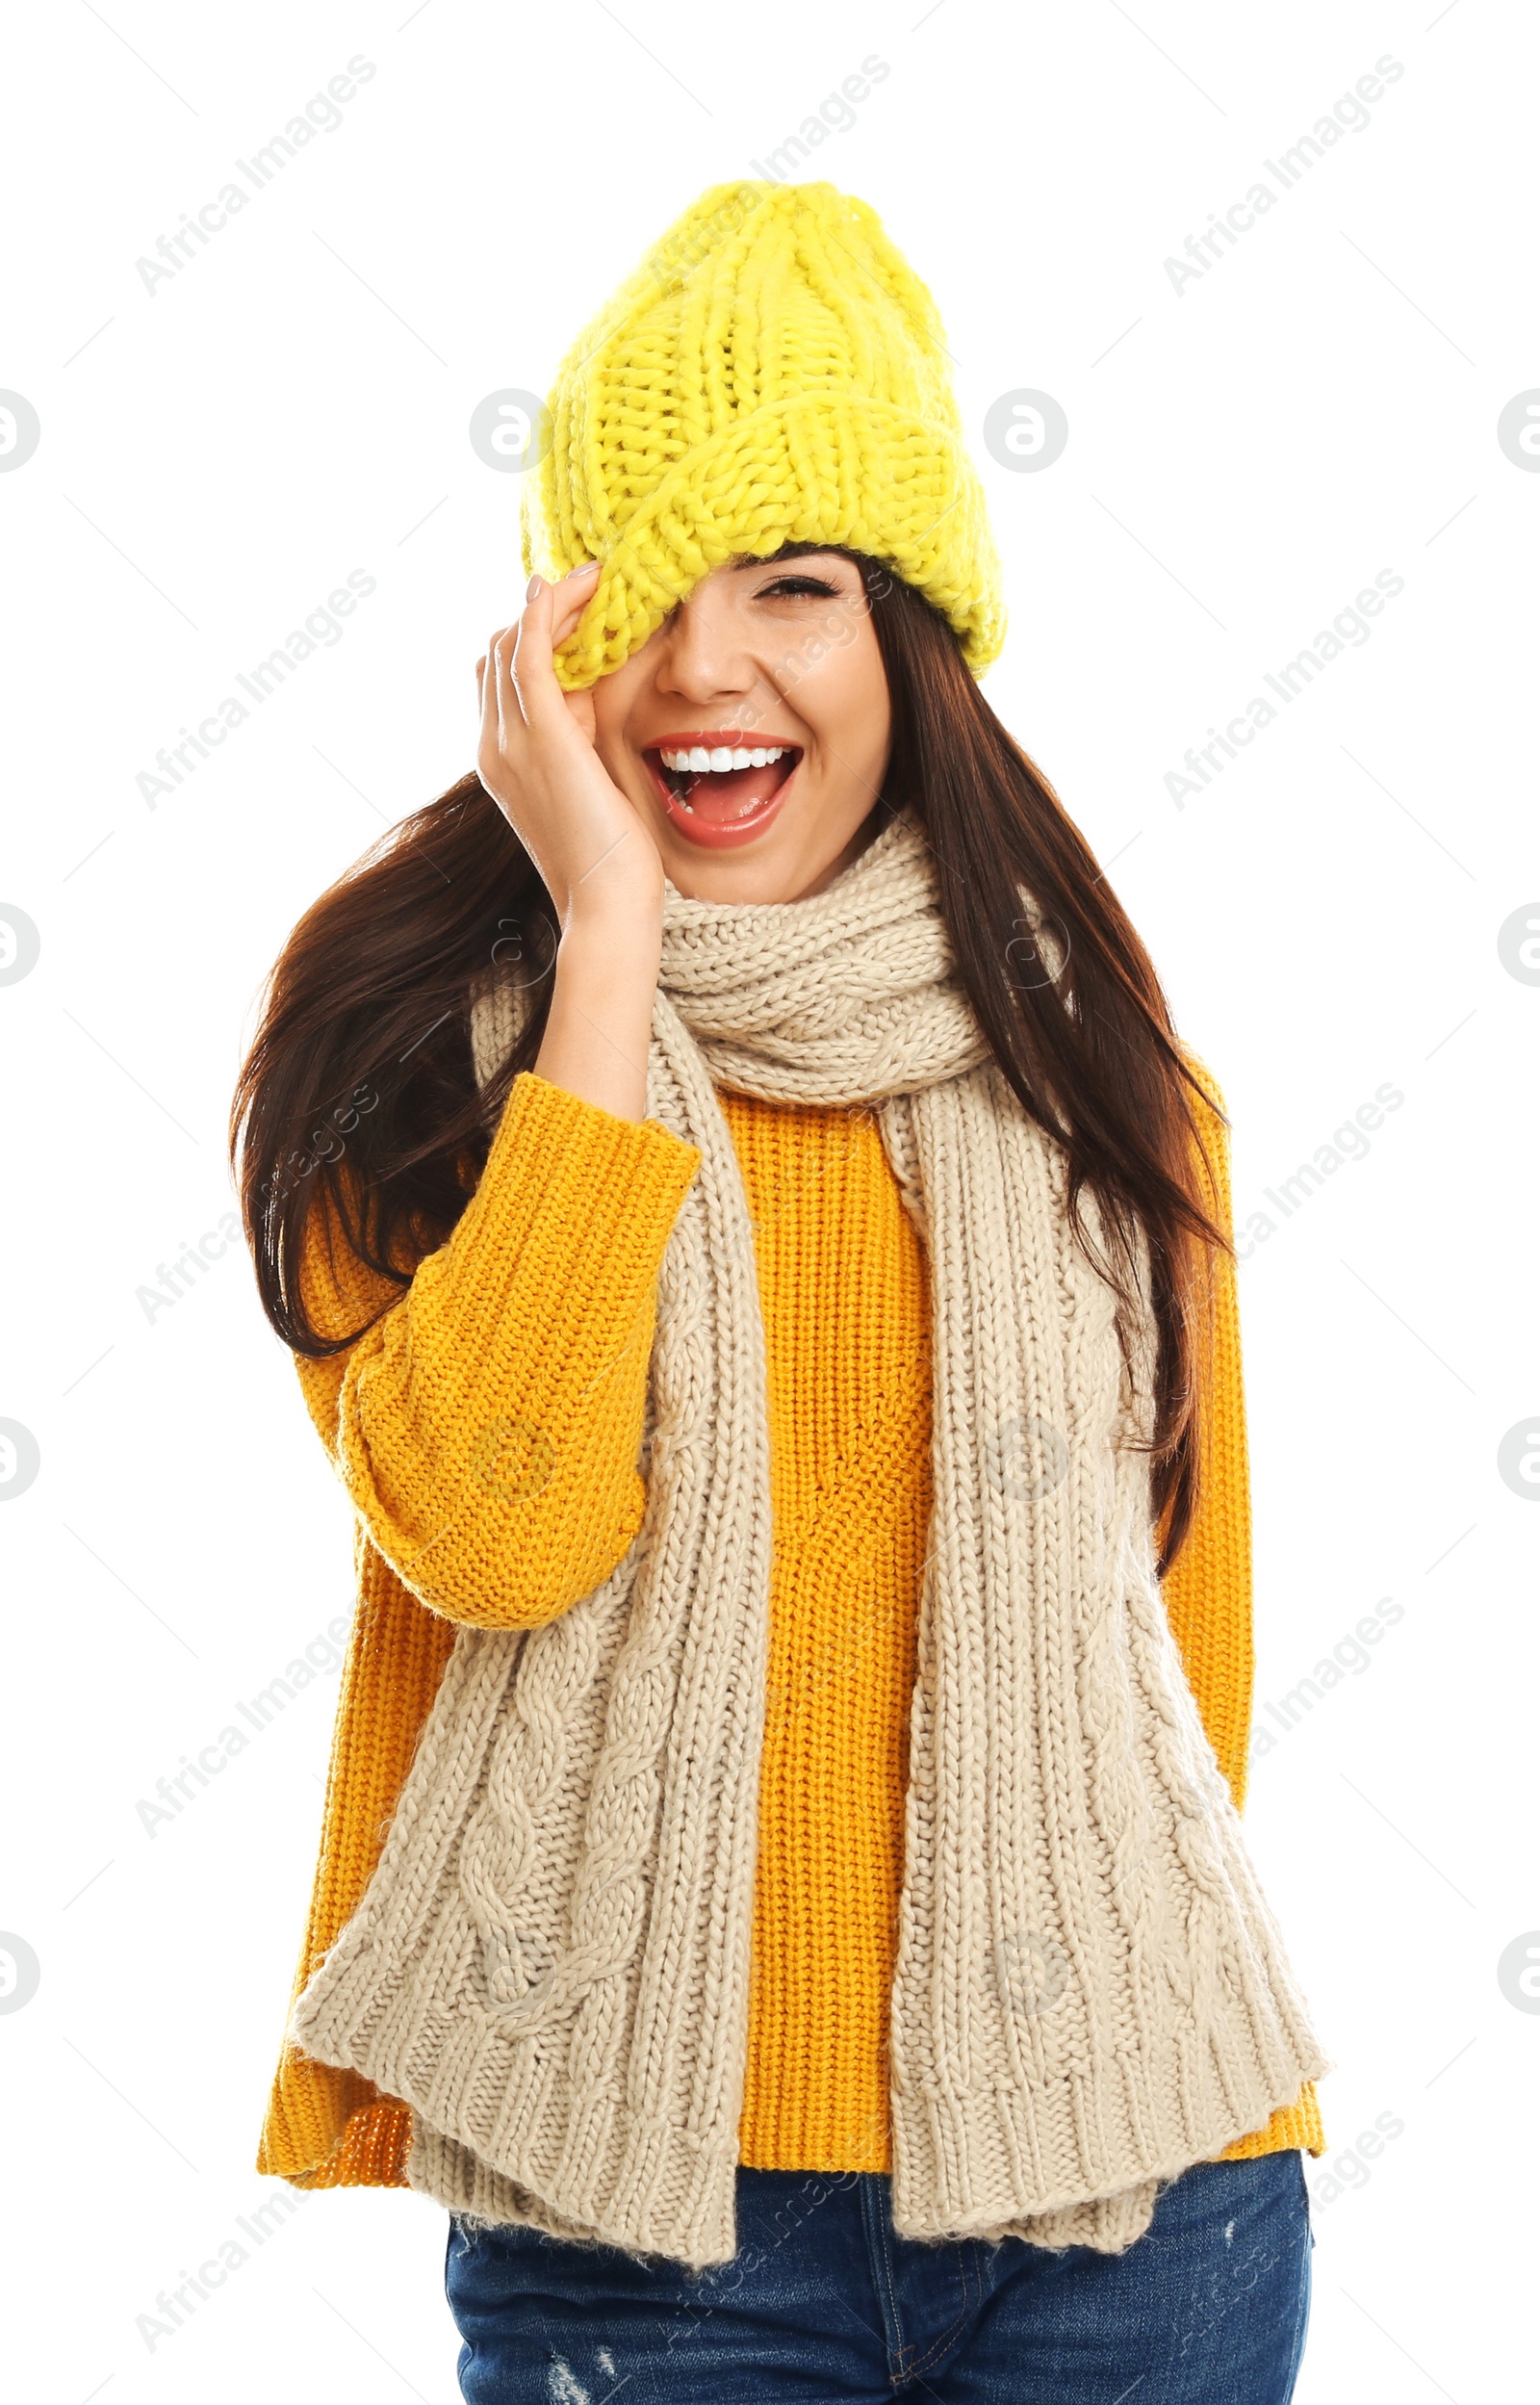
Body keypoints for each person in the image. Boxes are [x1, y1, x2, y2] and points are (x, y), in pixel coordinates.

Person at [232, 179, 1329, 2403]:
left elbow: (1180, 1654)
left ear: (909, 638)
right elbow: (499, 1530)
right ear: (540, 650)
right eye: (631, 593)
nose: (704, 667)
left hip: (1137, 2200)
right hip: (647, 2230)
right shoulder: (408, 1066)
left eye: (795, 588)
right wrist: (607, 961)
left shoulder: (1098, 1061)